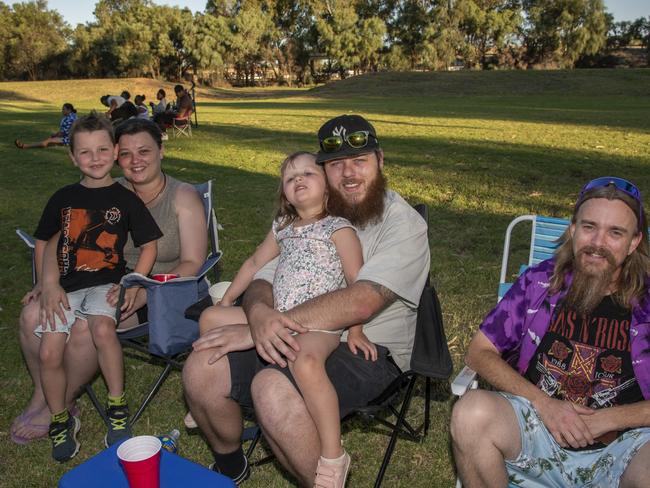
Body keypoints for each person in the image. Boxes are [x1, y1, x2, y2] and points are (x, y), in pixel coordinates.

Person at [183, 114, 430, 487]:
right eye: (335, 165)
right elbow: (263, 279)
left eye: (359, 161)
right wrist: (260, 314)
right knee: (201, 366)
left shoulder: (403, 225)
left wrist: (262, 330)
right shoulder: (308, 219)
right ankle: (231, 465)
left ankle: (327, 475)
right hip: (288, 329)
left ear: (380, 161)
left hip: (367, 349)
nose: (348, 174)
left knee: (271, 388)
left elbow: (360, 301)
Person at [11, 118, 208, 445]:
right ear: (116, 154)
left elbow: (193, 262)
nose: (136, 161)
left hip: (153, 290)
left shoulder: (181, 196)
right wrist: (46, 284)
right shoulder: (104, 188)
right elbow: (62, 238)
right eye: (127, 153)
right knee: (33, 315)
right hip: (90, 278)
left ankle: (60, 401)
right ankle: (43, 395)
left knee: (87, 326)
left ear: (161, 149)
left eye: (144, 150)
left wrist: (146, 287)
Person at [450, 176, 650, 488]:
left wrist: (608, 420)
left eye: (615, 233)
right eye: (589, 227)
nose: (598, 242)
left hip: (621, 448)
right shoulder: (540, 283)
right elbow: (479, 352)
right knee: (469, 413)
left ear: (634, 242)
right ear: (572, 230)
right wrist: (546, 405)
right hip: (537, 432)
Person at [196, 151, 377, 486]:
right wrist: (229, 298)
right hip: (278, 317)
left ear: (327, 187)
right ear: (285, 194)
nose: (298, 180)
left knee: (305, 363)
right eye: (290, 177)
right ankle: (205, 404)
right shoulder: (283, 228)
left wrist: (356, 329)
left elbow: (357, 282)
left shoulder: (339, 228)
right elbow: (252, 264)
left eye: (308, 173)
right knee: (210, 317)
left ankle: (334, 455)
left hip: (320, 323)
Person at [30, 113, 162, 462]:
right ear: (72, 156)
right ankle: (60, 418)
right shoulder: (63, 198)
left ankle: (117, 407)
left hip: (106, 284)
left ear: (115, 151)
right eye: (85, 152)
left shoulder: (125, 198)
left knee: (103, 329)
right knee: (49, 352)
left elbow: (149, 245)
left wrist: (131, 281)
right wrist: (46, 284)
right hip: (65, 287)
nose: (95, 158)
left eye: (103, 149)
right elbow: (46, 242)